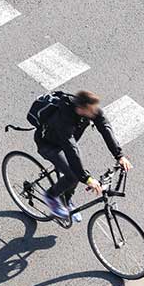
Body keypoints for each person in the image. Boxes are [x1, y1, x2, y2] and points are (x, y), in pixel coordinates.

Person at [32, 89, 131, 222]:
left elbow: (105, 128)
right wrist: (87, 178)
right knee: (74, 175)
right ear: (80, 109)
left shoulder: (91, 110)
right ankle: (50, 196)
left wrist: (119, 155)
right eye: (91, 110)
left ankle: (65, 199)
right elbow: (71, 149)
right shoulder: (64, 119)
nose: (95, 113)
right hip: (48, 145)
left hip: (64, 143)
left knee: (77, 173)